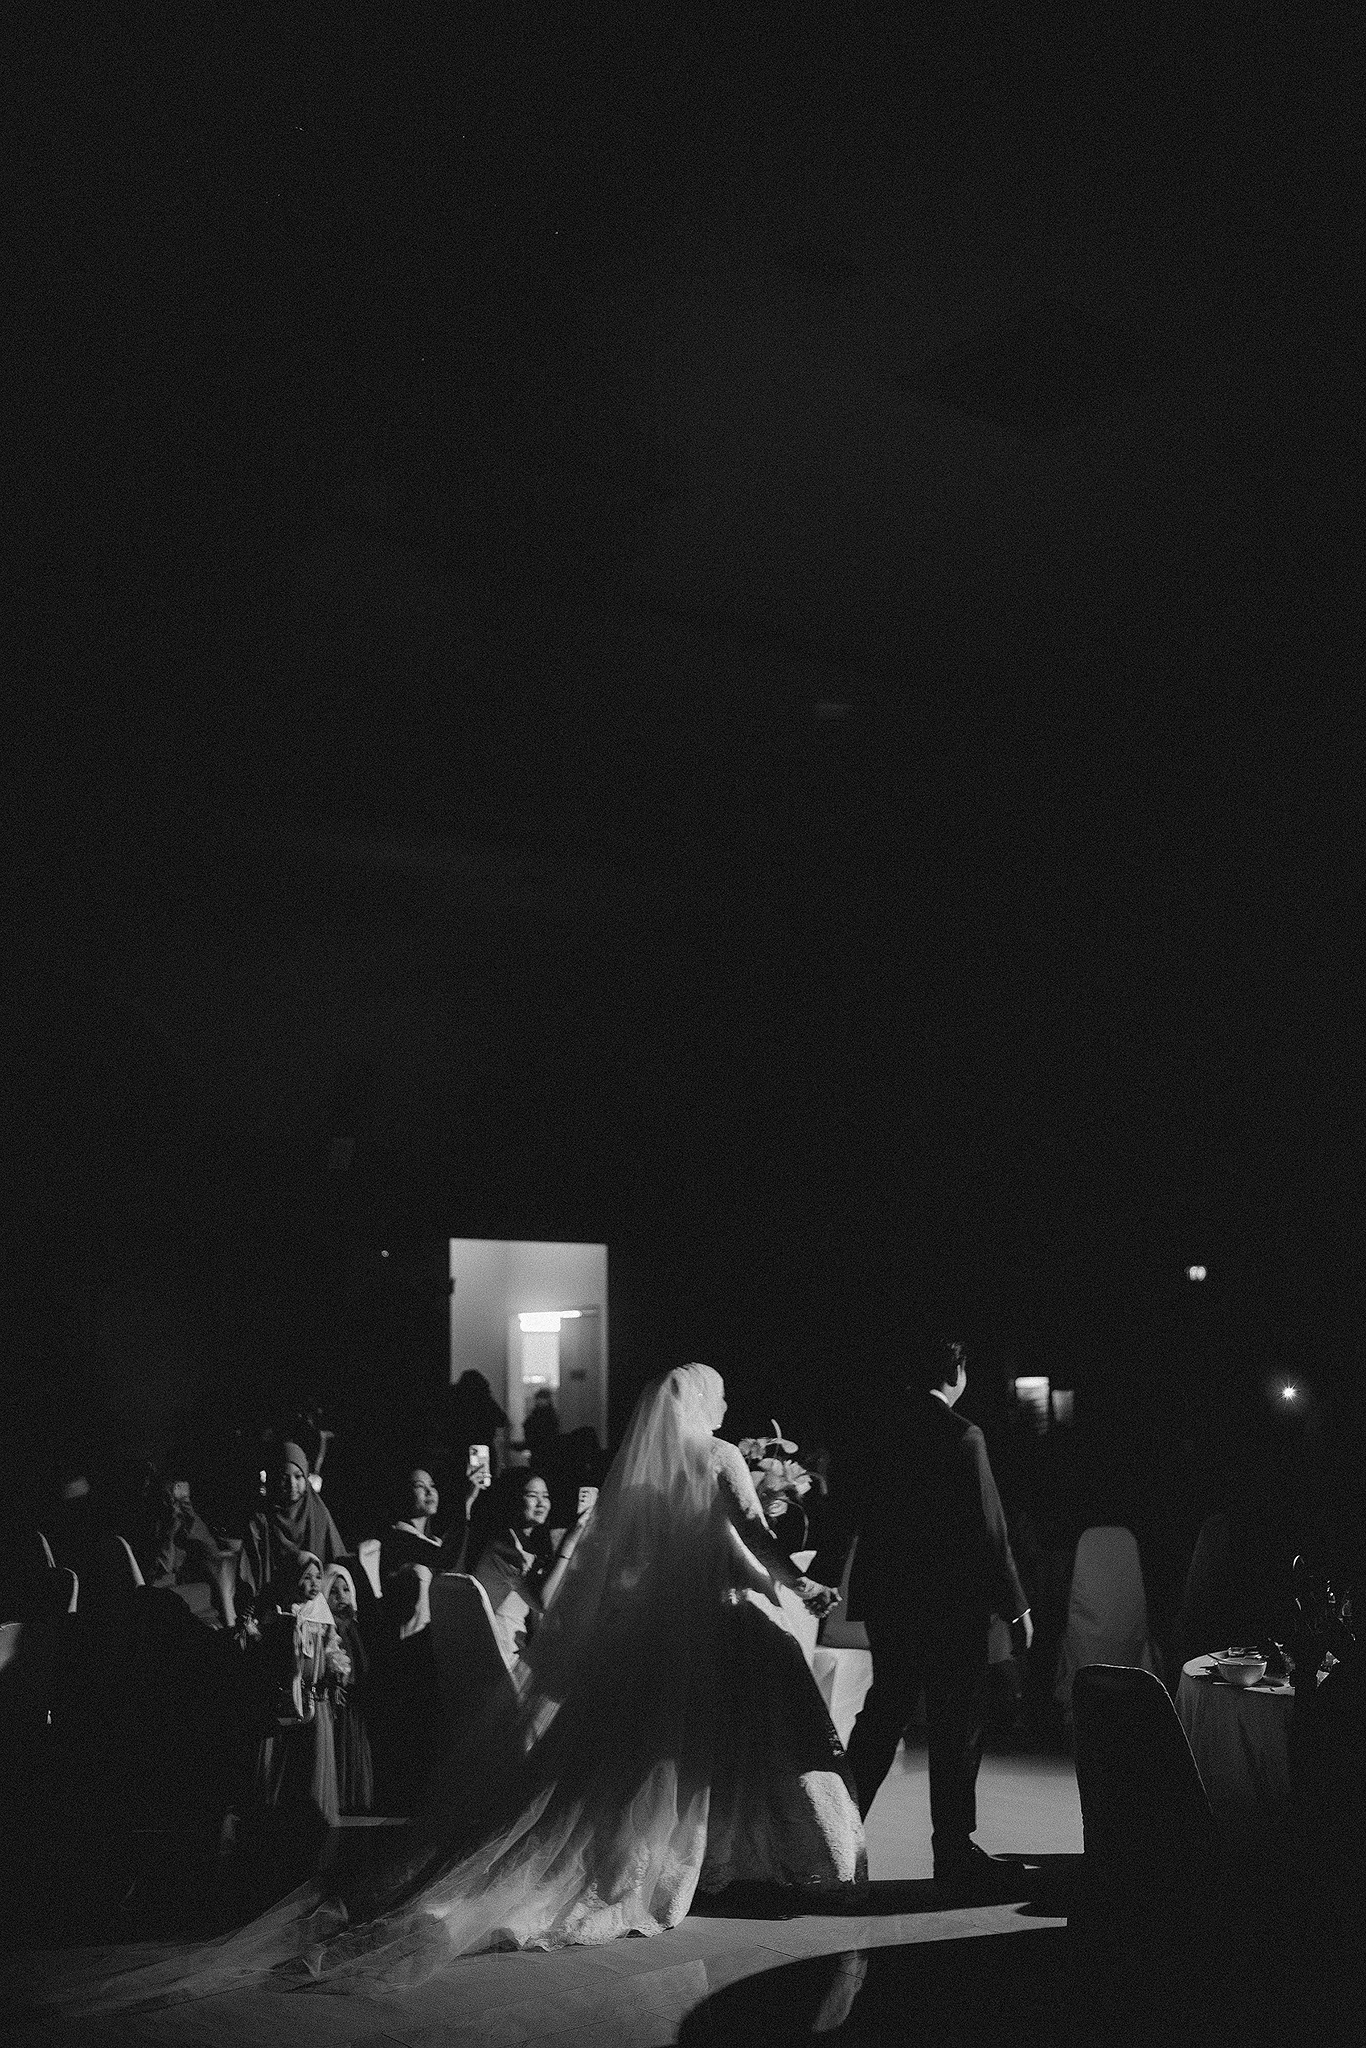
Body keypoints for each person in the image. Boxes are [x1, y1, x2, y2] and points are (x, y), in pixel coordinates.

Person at [15, 1365, 864, 2021]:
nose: (723, 1409)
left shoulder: (641, 1478)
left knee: (647, 1763)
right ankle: (739, 1861)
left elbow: (644, 1558)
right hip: (714, 1624)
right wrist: (799, 1582)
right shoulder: (719, 1456)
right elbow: (748, 1535)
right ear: (704, 1404)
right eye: (718, 1397)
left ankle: (701, 1859)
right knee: (717, 1747)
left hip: (663, 1633)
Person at [844, 1335, 1033, 1902]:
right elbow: (990, 1530)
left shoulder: (880, 1432)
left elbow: (851, 1512)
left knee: (884, 1715)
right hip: (951, 1606)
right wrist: (1016, 1606)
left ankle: (834, 1834)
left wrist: (828, 1578)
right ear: (955, 1372)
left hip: (890, 1602)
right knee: (957, 1725)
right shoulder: (963, 1434)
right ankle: (952, 1851)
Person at [235, 1443, 347, 1621]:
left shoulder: (317, 1512)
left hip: (317, 1607)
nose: (292, 1484)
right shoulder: (261, 1520)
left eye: (298, 1476)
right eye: (283, 1477)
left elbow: (335, 1562)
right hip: (275, 1607)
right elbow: (251, 1572)